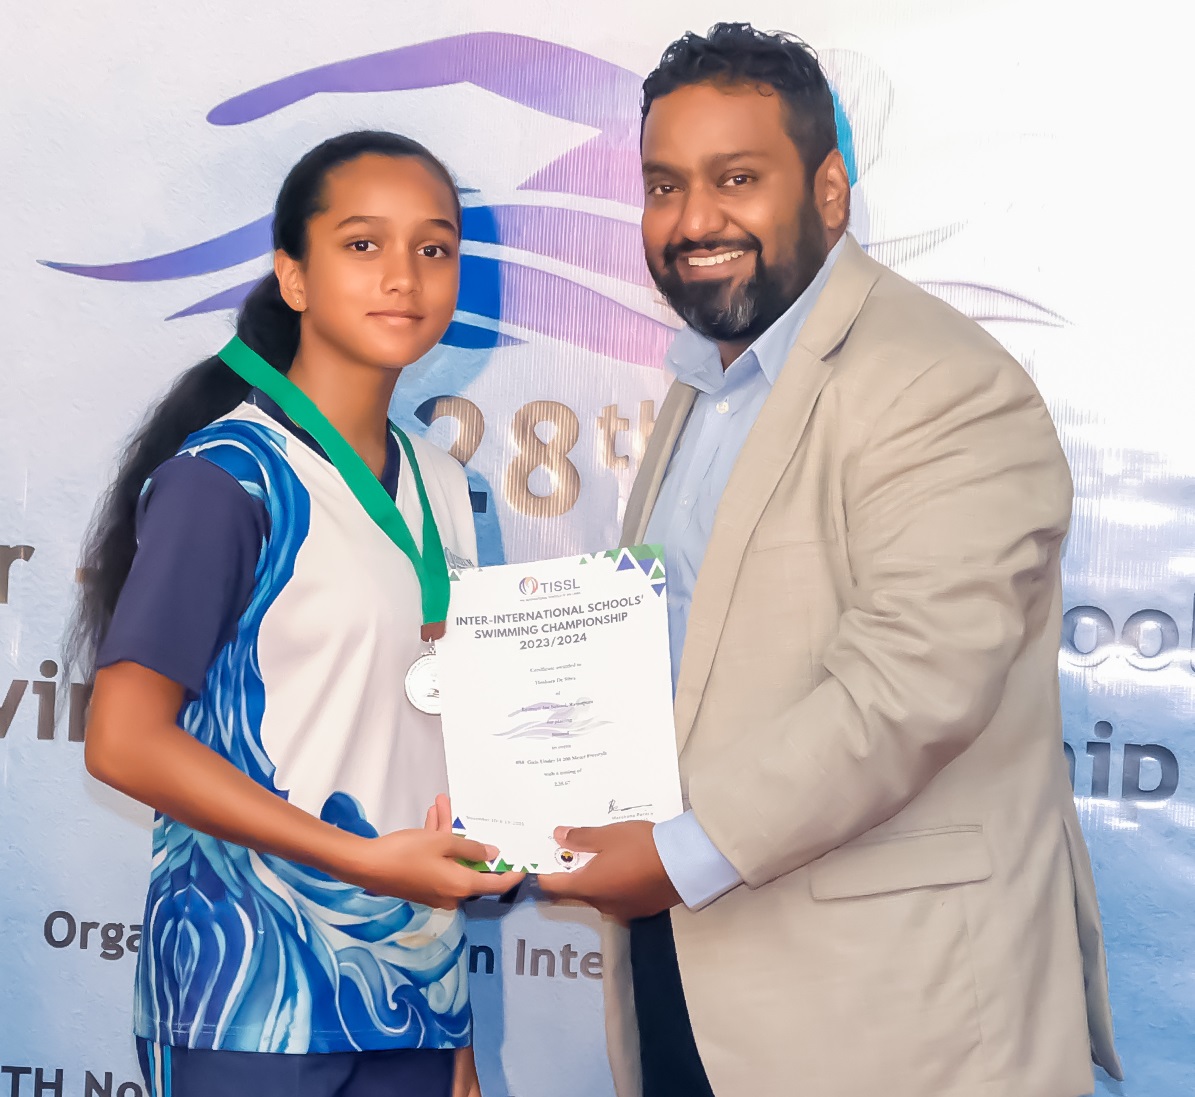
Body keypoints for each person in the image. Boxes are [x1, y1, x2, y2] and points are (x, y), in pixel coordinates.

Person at [539, 24, 1123, 1097]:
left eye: (737, 179)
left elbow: (909, 690)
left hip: (885, 1011)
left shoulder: (939, 381)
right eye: (663, 185)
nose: (693, 219)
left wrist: (673, 852)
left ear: (830, 191)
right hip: (688, 969)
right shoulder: (707, 382)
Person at [74, 130, 521, 1097]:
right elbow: (121, 741)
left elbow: (428, 753)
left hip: (411, 1001)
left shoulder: (447, 485)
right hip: (250, 997)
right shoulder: (228, 475)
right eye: (363, 244)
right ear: (294, 276)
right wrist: (364, 858)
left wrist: (458, 1028)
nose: (403, 275)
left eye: (433, 248)